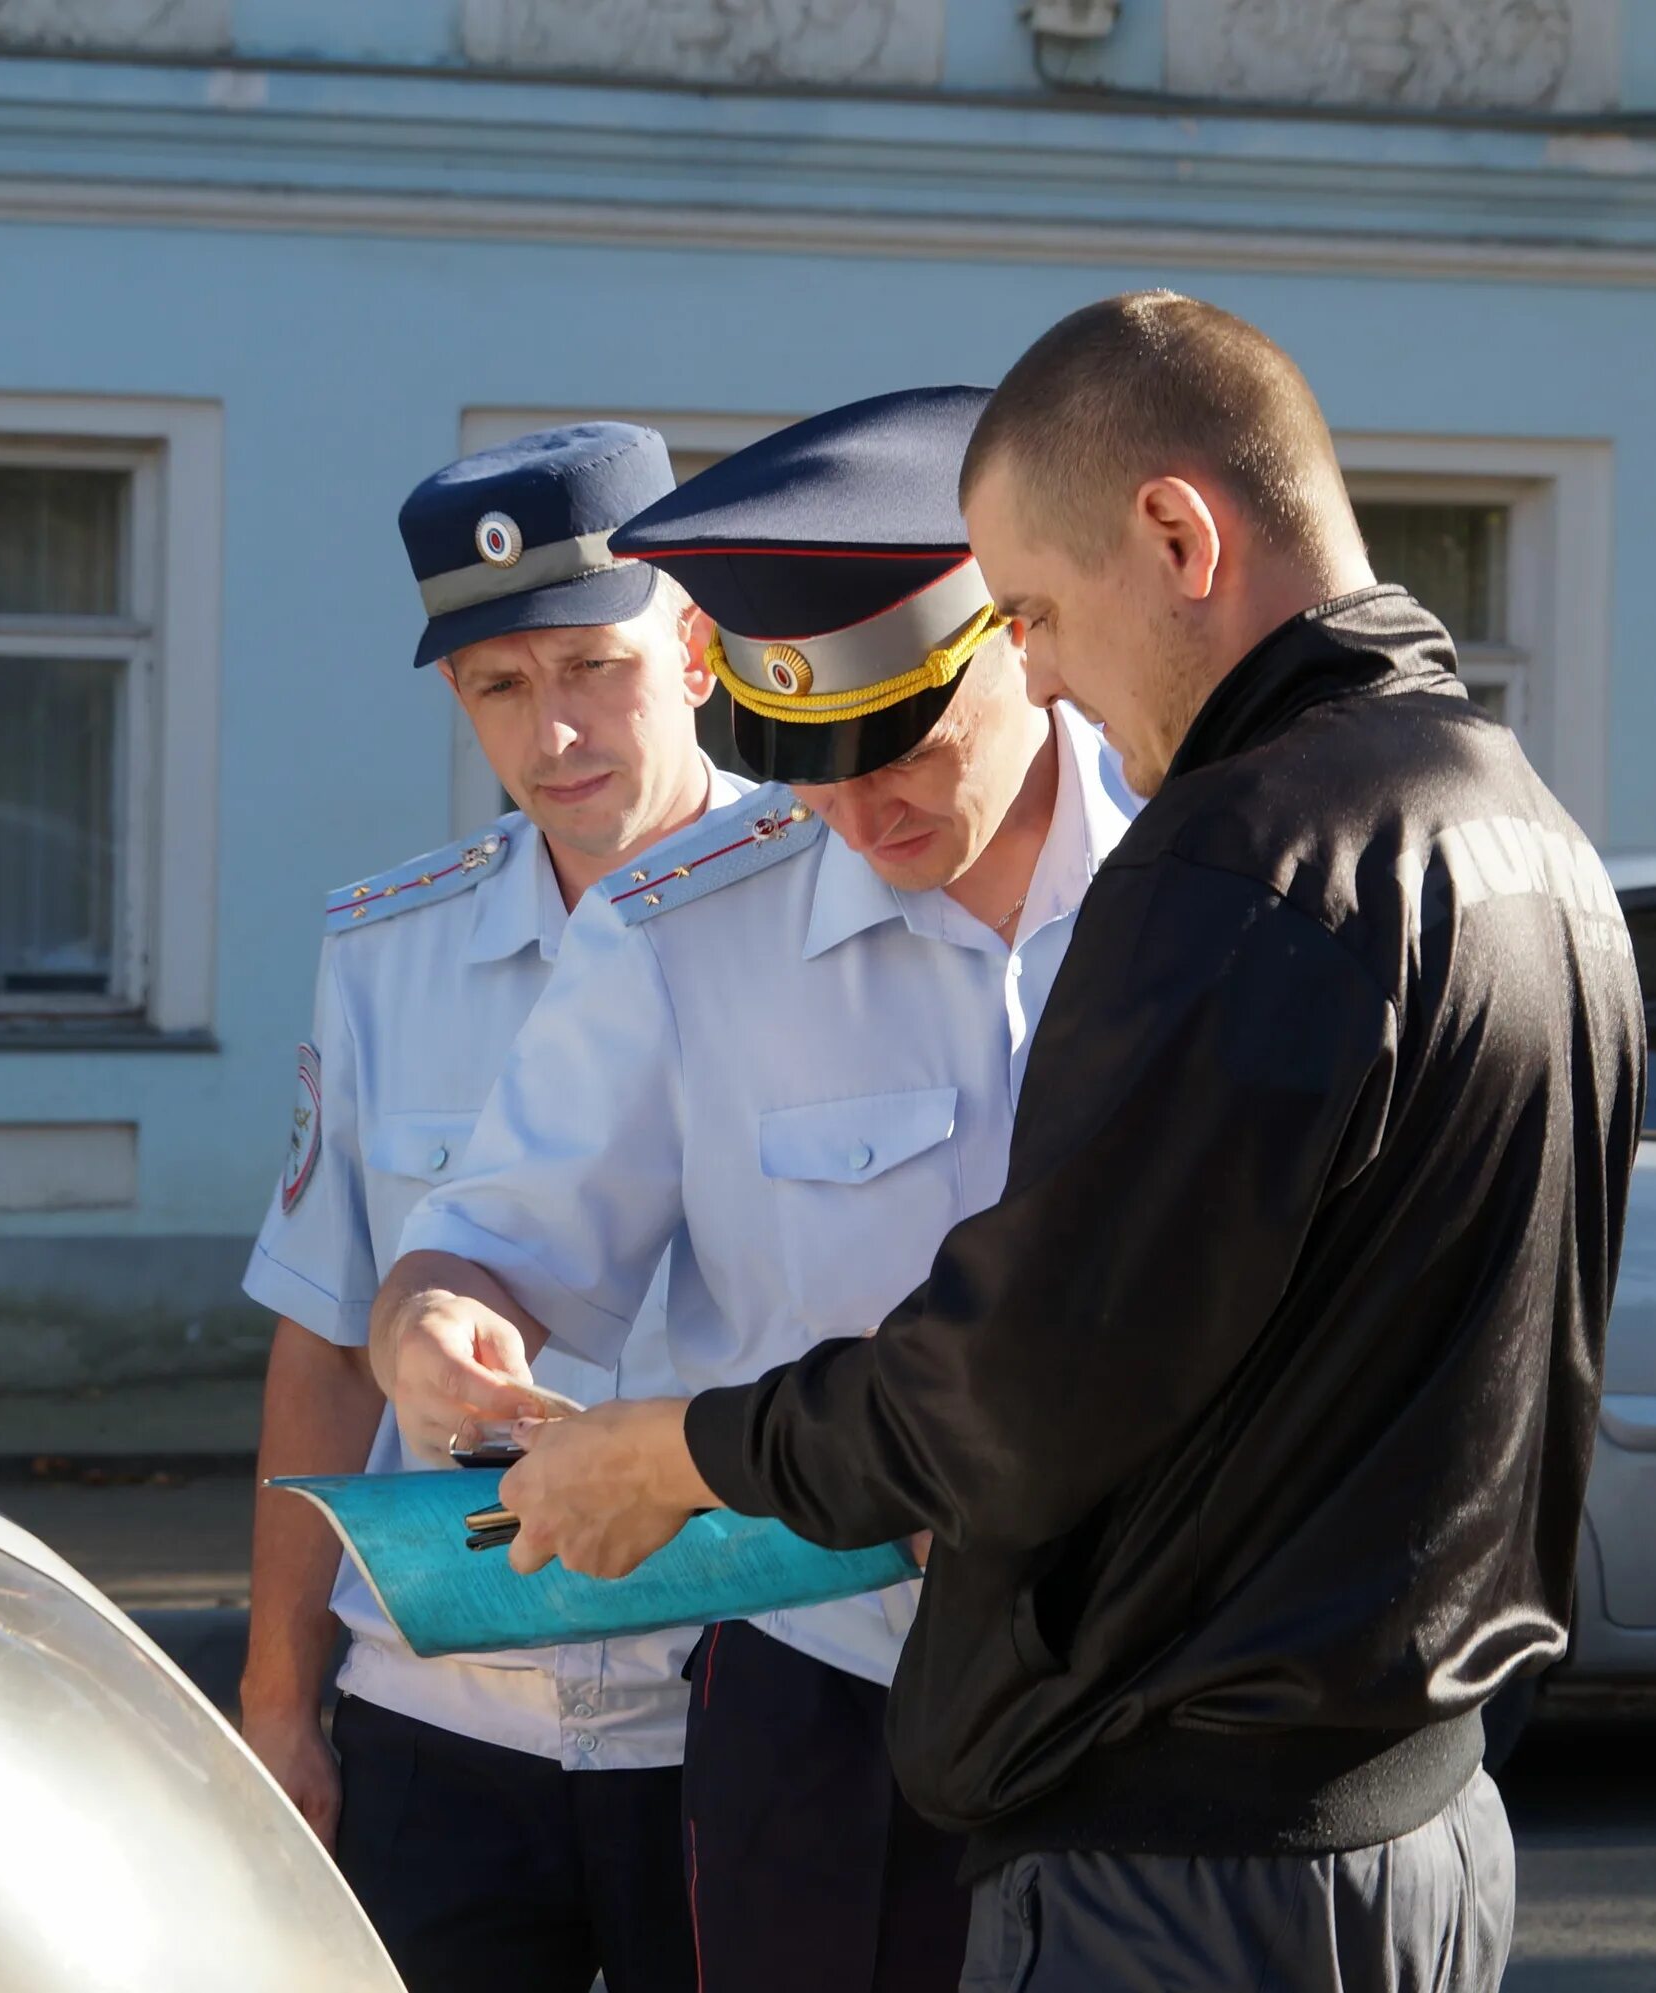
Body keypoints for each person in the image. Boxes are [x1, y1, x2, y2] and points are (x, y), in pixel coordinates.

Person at [488, 293, 1650, 1993]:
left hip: (1182, 1859)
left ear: (1177, 536)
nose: (1035, 664)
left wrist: (676, 1453)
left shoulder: (1237, 861)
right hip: (1416, 1822)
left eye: (1033, 609)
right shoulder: (1529, 836)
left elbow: (1010, 1403)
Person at [367, 385, 1141, 1993]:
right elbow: (492, 1238)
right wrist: (436, 1319)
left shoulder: (1202, 871)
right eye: (804, 768)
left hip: (1158, 1704)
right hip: (831, 1714)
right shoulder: (681, 930)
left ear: (1016, 637)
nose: (861, 813)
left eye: (904, 746)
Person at [236, 422, 744, 1993]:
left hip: (732, 1714)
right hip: (442, 1726)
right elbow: (325, 1342)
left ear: (701, 648)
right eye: (500, 688)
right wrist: (278, 1703)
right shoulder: (393, 951)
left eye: (595, 666)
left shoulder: (841, 929)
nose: (555, 734)